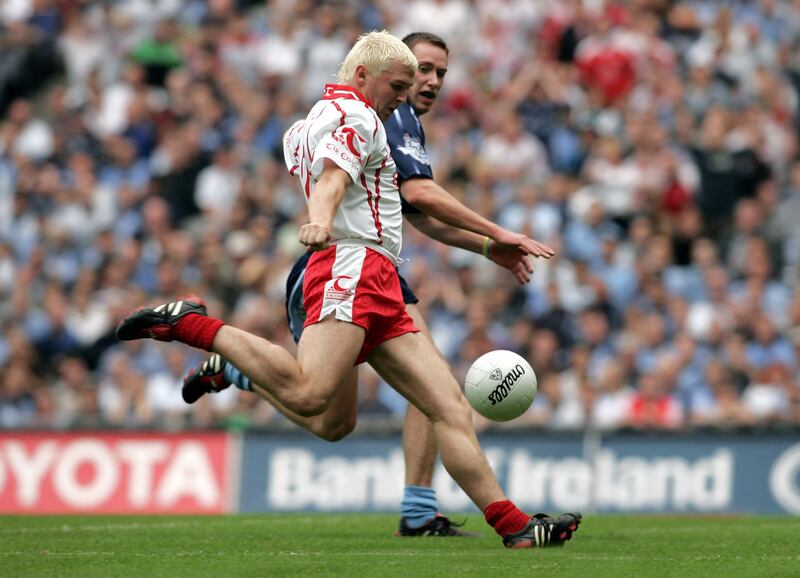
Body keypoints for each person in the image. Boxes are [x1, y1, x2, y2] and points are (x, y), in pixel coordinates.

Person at [117, 31, 581, 549]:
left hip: (373, 270)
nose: (407, 96)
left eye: (427, 79)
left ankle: (514, 527)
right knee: (310, 393)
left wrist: (480, 247)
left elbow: (368, 190)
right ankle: (191, 324)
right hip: (351, 264)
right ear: (363, 75)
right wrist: (320, 221)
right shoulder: (359, 116)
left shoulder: (309, 123)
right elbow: (334, 179)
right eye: (402, 83)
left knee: (441, 406)